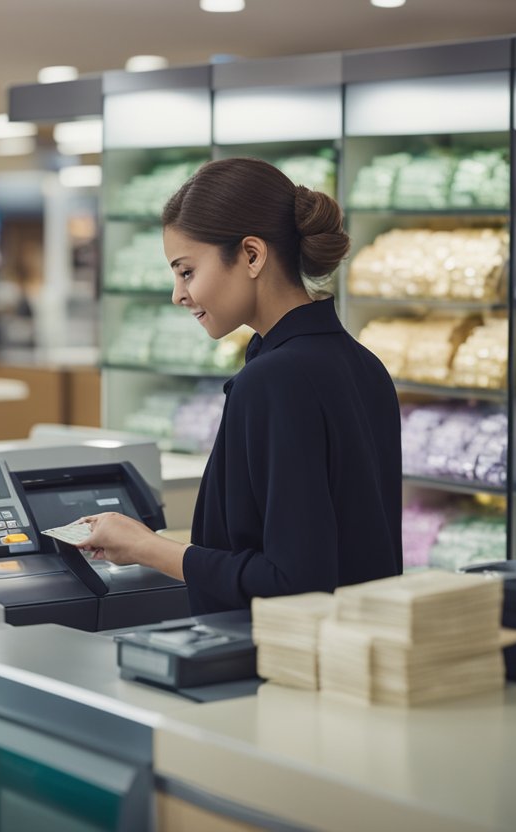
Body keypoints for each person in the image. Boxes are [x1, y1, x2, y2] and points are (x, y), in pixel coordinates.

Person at [79, 158, 403, 614]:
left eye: (186, 271)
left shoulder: (275, 380)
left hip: (276, 665)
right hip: (357, 653)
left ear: (252, 255)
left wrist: (147, 548)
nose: (178, 294)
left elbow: (293, 582)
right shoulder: (361, 364)